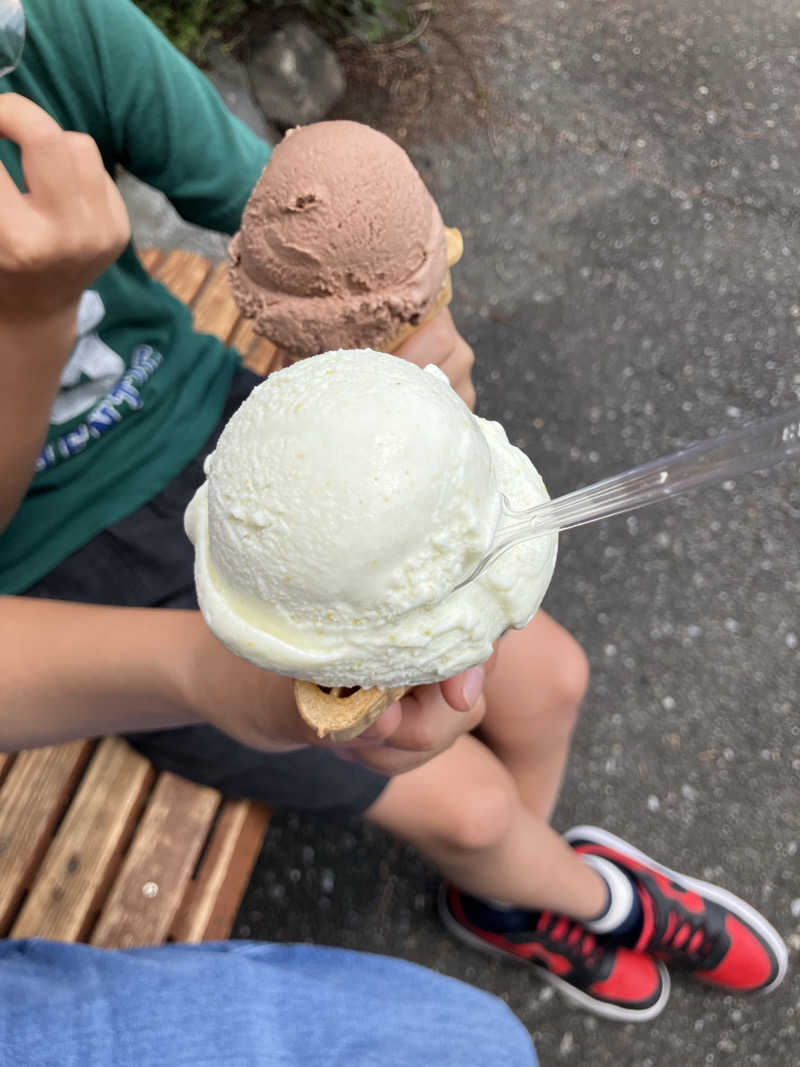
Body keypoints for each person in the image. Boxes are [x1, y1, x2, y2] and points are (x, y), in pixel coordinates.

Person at [1, 0, 786, 1031]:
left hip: (239, 439)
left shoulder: (42, 34)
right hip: (70, 578)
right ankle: (571, 893)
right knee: (469, 805)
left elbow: (290, 211)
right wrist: (34, 320)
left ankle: (511, 884)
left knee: (550, 681)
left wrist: (415, 328)